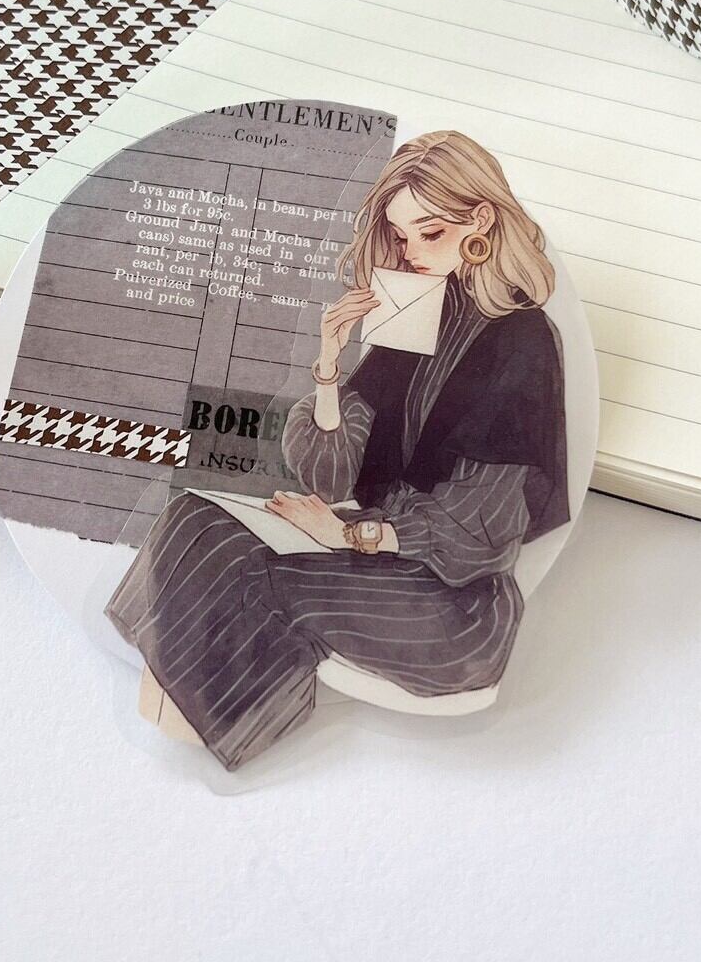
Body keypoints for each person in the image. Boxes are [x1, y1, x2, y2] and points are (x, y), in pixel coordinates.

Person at [105, 131, 569, 771]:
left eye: (430, 233)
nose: (411, 253)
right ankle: (170, 735)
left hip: (456, 604)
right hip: (378, 556)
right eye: (401, 237)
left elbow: (485, 532)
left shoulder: (524, 339)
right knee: (194, 519)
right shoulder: (423, 314)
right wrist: (329, 364)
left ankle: (193, 743)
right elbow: (329, 474)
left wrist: (351, 536)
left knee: (256, 578)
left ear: (482, 220)